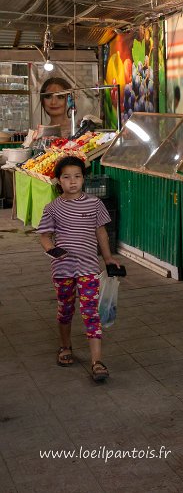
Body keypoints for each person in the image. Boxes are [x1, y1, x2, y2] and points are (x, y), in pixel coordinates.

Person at [37, 156, 120, 382]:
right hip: (62, 269)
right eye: (66, 177)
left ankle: (97, 361)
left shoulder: (95, 204)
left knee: (90, 312)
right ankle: (65, 347)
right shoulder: (52, 208)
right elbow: (45, 236)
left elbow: (101, 233)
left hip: (88, 268)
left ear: (84, 178)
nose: (72, 181)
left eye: (77, 176)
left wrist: (108, 258)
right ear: (58, 181)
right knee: (65, 309)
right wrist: (53, 251)